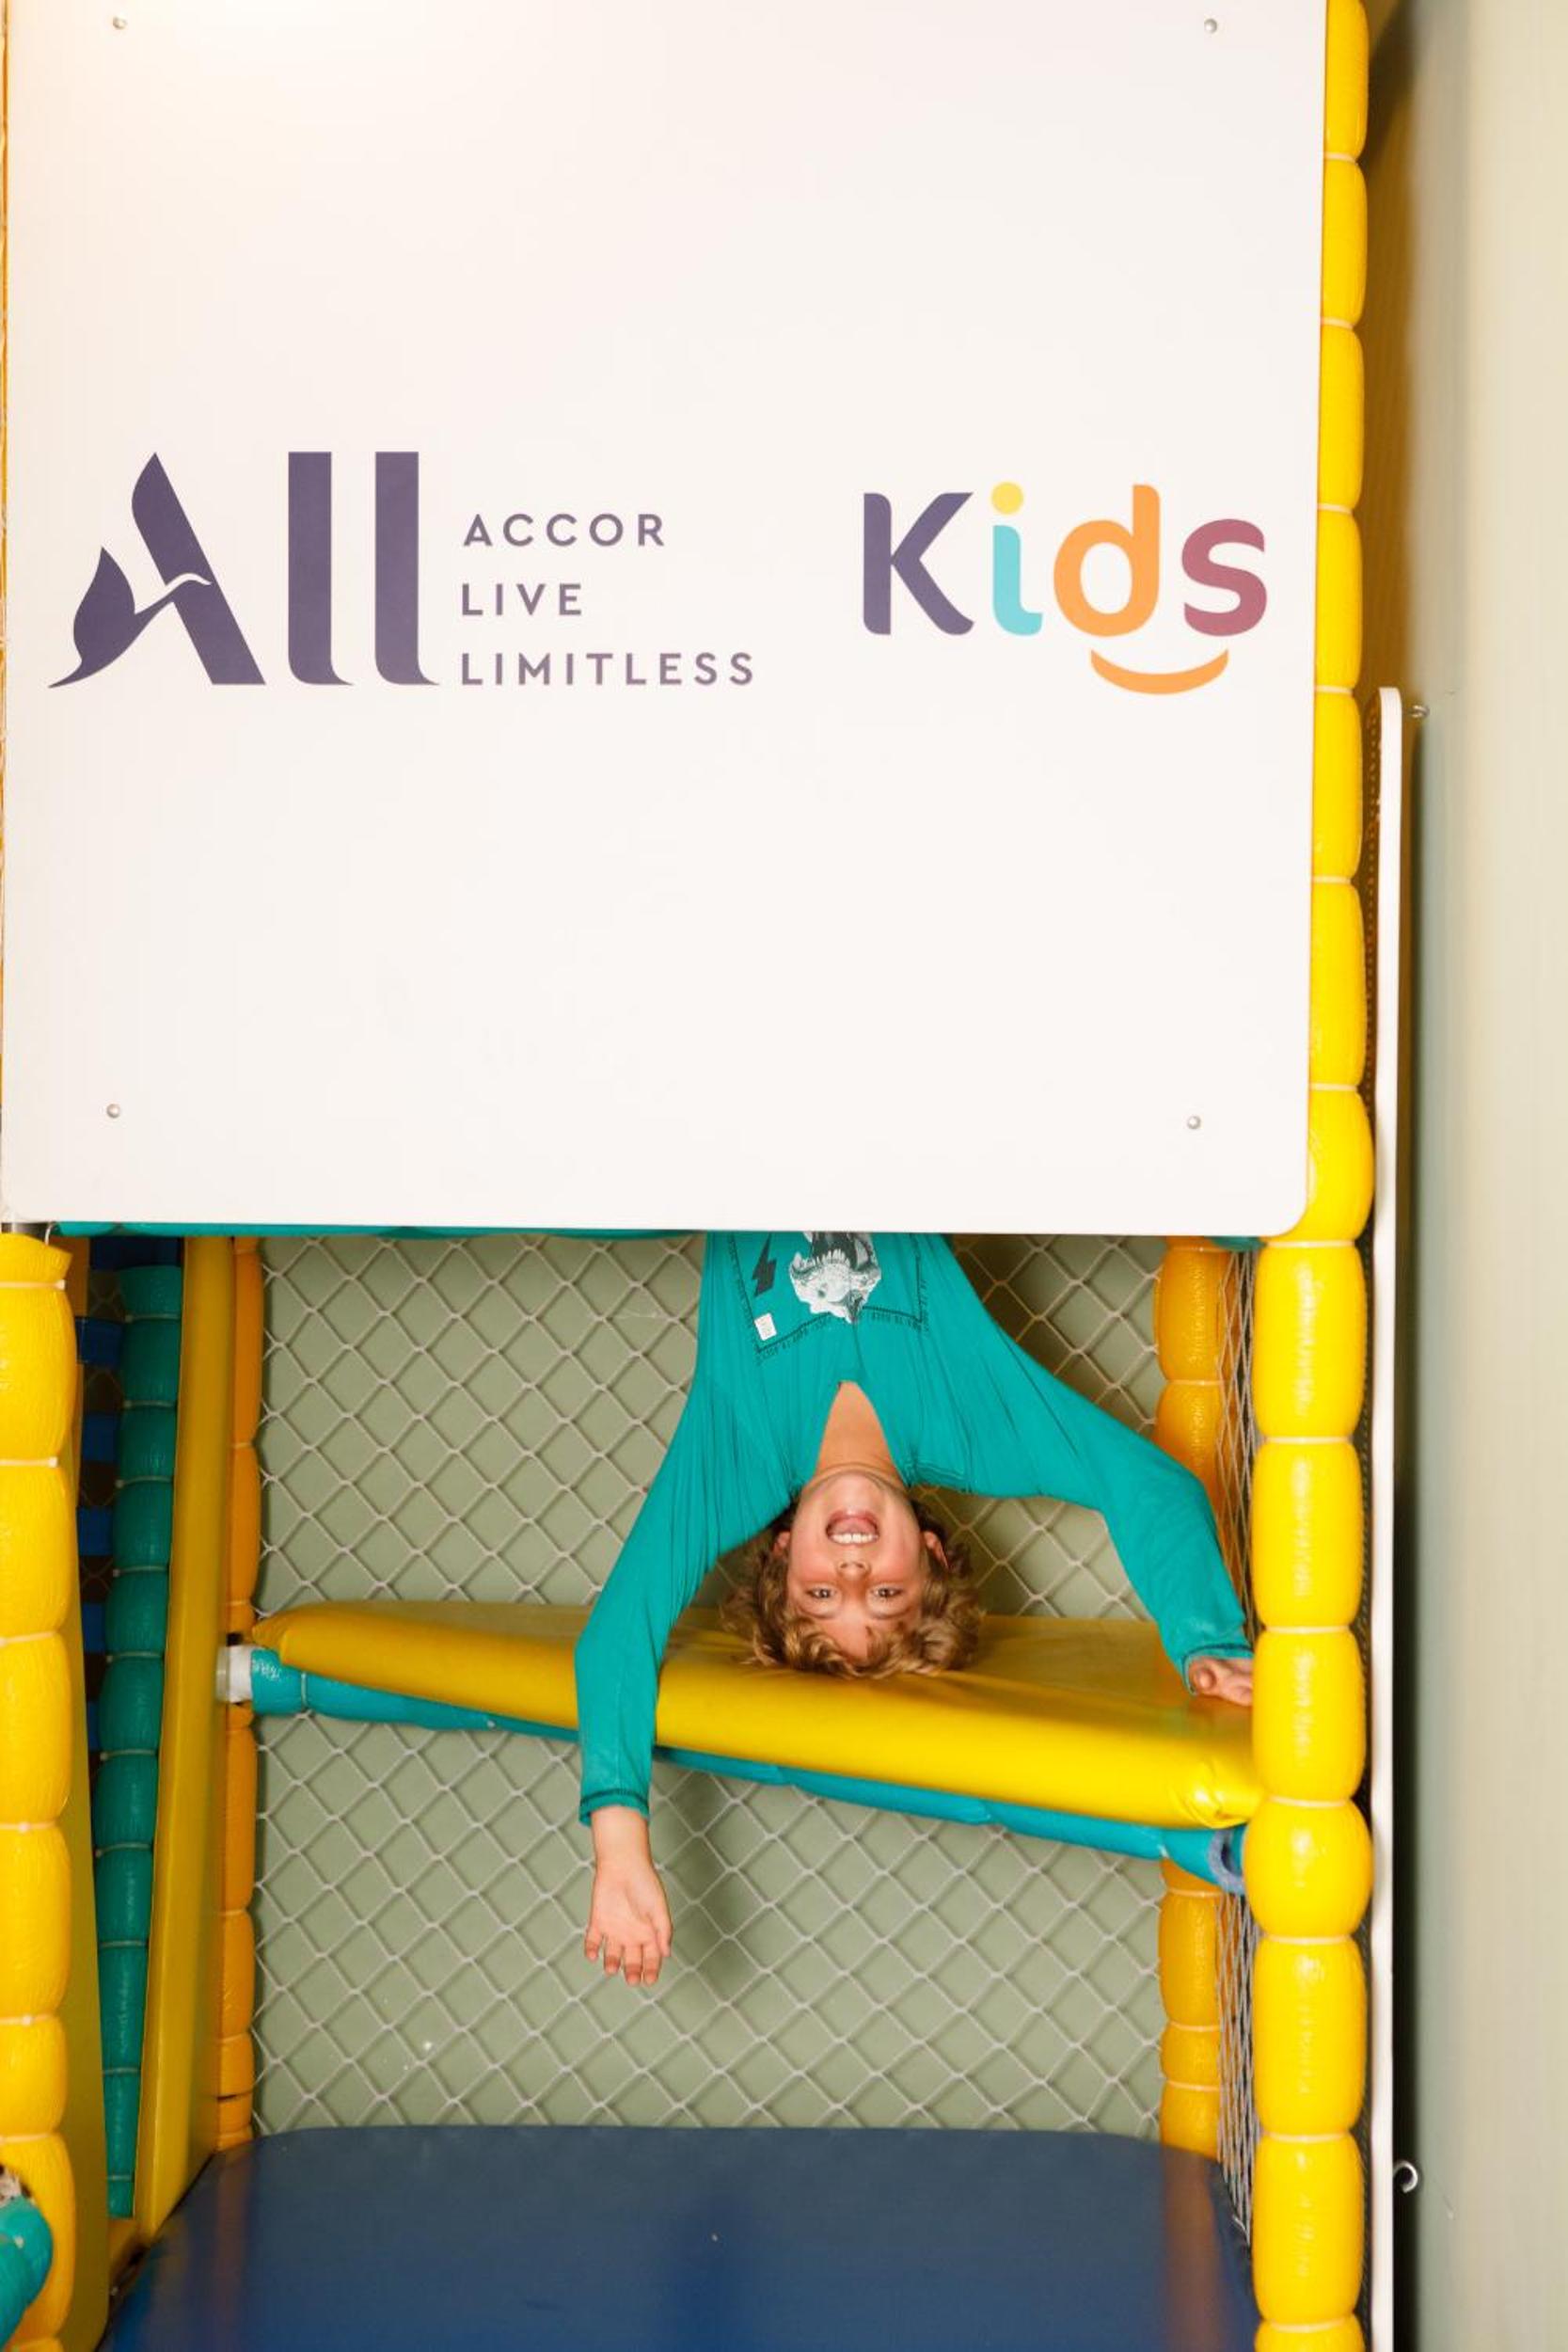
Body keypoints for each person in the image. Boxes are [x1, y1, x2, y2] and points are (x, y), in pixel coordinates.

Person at [578, 1232, 1252, 1990]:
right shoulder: (970, 1422)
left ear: (781, 1558)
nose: (852, 1571)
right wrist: (1206, 1640)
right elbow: (1151, 1486)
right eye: (885, 1595)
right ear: (931, 1554)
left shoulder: (736, 1457)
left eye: (821, 1595)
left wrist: (620, 1847)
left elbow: (618, 1633)